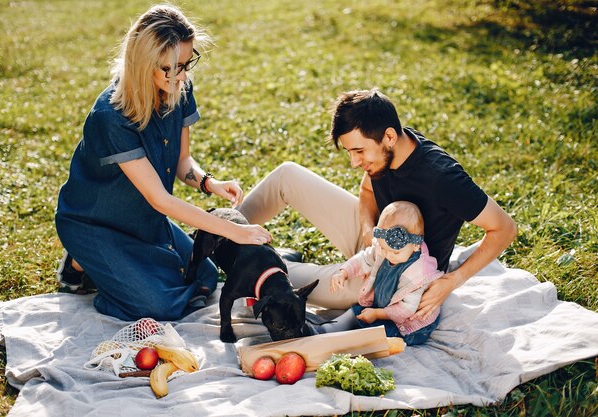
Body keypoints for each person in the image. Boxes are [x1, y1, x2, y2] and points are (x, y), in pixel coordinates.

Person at [54, 4, 271, 321]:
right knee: (158, 306)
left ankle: (118, 267)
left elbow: (183, 162)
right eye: (170, 67)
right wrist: (232, 231)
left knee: (205, 278)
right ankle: (81, 261)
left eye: (186, 63)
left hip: (143, 218)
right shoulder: (110, 117)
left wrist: (208, 182)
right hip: (95, 224)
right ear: (143, 63)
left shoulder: (180, 88)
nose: (181, 75)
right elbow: (160, 199)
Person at [237, 88, 517, 321]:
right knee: (288, 175)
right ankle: (222, 232)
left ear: (390, 137)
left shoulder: (443, 177)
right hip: (373, 243)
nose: (355, 162)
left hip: (393, 280)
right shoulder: (388, 151)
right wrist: (367, 229)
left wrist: (452, 281)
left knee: (272, 272)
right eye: (350, 152)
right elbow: (367, 191)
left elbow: (504, 228)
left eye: (359, 151)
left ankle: (247, 260)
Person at [305, 201, 443, 345]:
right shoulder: (384, 247)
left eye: (395, 252)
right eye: (383, 249)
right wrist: (344, 272)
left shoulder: (417, 274)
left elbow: (406, 310)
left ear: (415, 245)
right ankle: (324, 330)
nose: (388, 255)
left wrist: (377, 314)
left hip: (408, 326)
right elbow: (364, 258)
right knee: (357, 312)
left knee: (373, 330)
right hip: (384, 307)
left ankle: (341, 342)